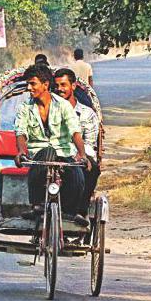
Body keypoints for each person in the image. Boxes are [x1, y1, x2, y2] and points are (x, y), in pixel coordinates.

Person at [14, 63, 88, 225]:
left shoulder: (63, 105)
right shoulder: (25, 108)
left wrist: (82, 154)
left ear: (45, 84)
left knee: (77, 174)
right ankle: (37, 204)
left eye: (32, 84)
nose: (29, 88)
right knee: (48, 152)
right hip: (38, 155)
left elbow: (75, 131)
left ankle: (70, 211)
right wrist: (21, 151)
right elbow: (21, 132)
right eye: (28, 84)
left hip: (63, 153)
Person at [53, 67, 100, 214]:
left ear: (73, 86)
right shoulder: (49, 110)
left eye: (63, 85)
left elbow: (90, 144)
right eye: (57, 86)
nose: (60, 89)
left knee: (93, 168)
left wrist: (78, 155)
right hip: (56, 153)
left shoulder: (87, 114)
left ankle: (80, 210)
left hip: (79, 155)